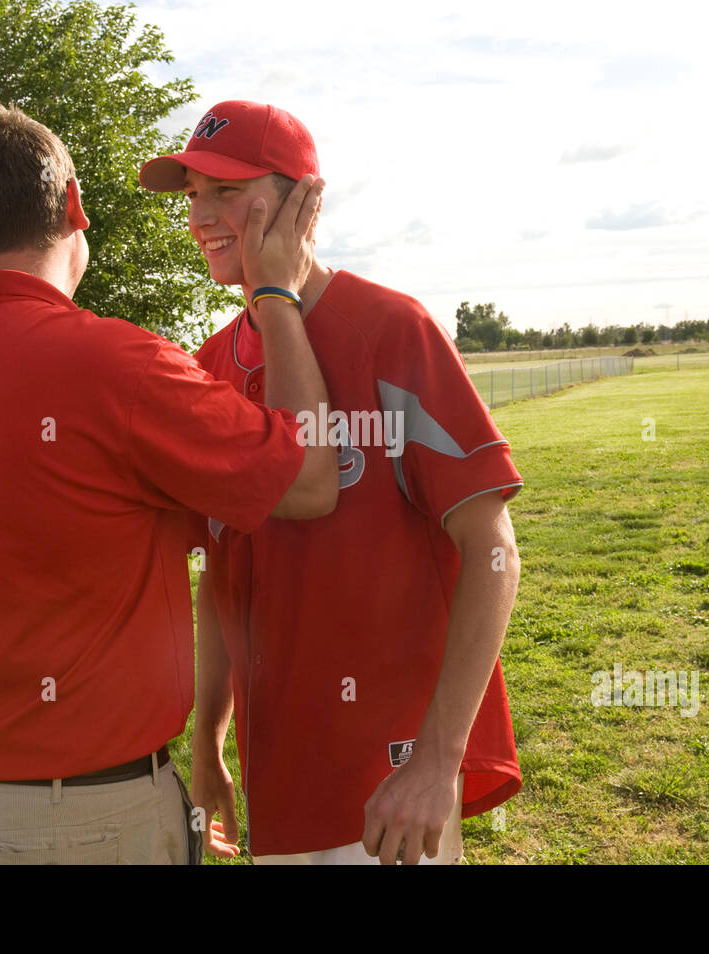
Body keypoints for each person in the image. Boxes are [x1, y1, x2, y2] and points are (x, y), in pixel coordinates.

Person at [0, 102, 336, 864]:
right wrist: (274, 293)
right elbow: (310, 479)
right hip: (72, 818)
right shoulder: (122, 367)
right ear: (74, 207)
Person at [139, 100, 523, 865]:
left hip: (389, 781)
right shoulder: (210, 364)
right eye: (193, 195)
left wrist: (437, 762)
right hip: (280, 776)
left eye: (225, 189)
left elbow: (493, 552)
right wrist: (212, 741)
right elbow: (220, 572)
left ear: (302, 199)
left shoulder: (390, 330)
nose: (201, 215)